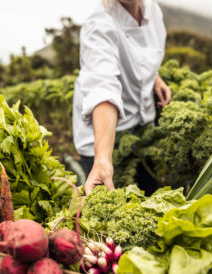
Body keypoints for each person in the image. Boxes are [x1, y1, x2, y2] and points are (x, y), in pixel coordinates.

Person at [72, 0, 172, 195]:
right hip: (103, 134)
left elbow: (142, 55)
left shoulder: (152, 10)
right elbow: (103, 87)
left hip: (141, 124)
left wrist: (154, 78)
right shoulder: (99, 25)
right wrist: (102, 159)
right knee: (113, 207)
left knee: (149, 190)